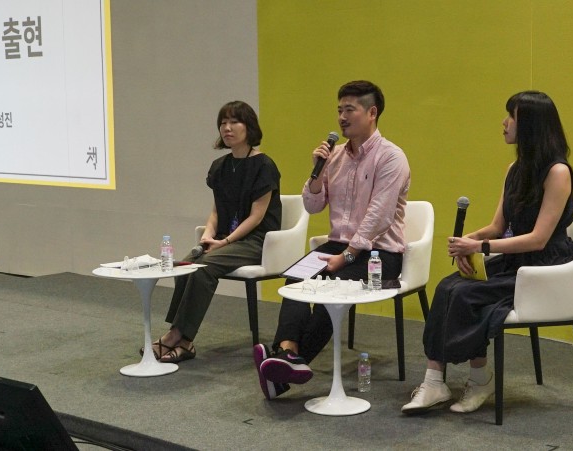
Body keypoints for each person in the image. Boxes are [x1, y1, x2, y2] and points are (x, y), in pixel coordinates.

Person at [401, 91, 573, 414]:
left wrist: (479, 247)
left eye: (511, 116)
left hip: (543, 268)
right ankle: (434, 381)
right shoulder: (515, 169)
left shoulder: (558, 172)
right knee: (448, 286)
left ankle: (480, 379)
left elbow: (538, 239)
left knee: (467, 295)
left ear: (531, 125)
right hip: (514, 262)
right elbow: (498, 226)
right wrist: (467, 240)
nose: (504, 122)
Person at [252, 80, 411, 400]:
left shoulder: (391, 157)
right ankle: (287, 354)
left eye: (349, 109)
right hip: (338, 245)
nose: (341, 117)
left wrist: (348, 255)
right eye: (339, 110)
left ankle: (290, 363)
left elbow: (379, 216)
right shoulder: (334, 157)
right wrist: (316, 173)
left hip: (379, 254)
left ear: (372, 113)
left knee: (332, 286)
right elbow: (313, 206)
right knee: (296, 277)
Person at [143, 101, 282, 364]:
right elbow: (217, 211)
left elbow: (257, 217)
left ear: (249, 127)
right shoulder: (220, 166)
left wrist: (225, 241)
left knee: (203, 269)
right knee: (185, 266)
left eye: (234, 122)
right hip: (226, 240)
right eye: (223, 123)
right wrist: (208, 235)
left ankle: (178, 336)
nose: (227, 128)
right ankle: (182, 339)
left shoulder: (264, 165)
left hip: (257, 241)